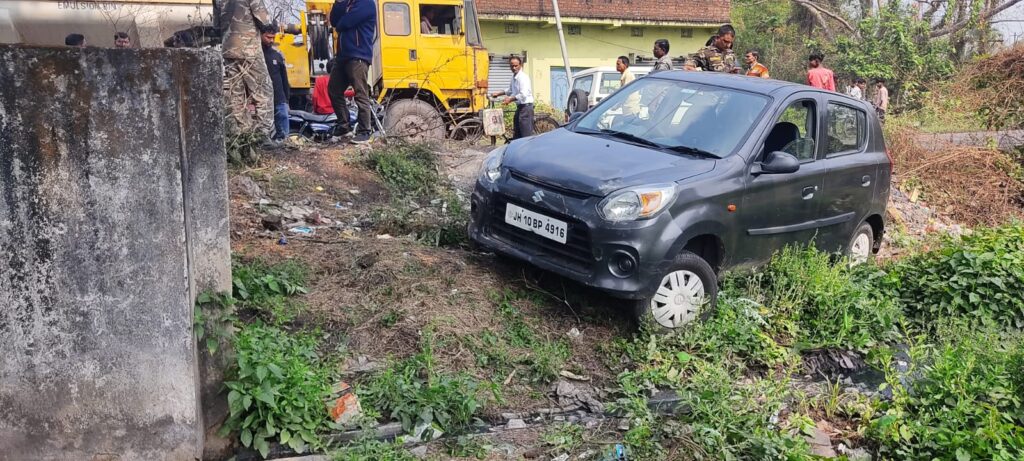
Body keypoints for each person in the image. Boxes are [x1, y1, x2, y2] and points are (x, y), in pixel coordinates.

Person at [220, 0, 275, 139]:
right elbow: (264, 20)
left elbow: (216, 24)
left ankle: (243, 133)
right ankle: (263, 136)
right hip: (249, 49)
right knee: (263, 90)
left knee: (236, 93)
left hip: (228, 49)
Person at [328, 0, 377, 144]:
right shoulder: (348, 3)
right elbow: (334, 21)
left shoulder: (366, 3)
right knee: (333, 89)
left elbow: (344, 23)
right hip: (342, 56)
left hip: (358, 55)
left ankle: (365, 131)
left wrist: (340, 21)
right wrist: (338, 3)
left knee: (360, 93)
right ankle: (344, 127)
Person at [490, 56, 534, 139]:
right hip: (520, 108)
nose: (514, 68)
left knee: (526, 136)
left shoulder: (523, 77)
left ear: (520, 65)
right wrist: (498, 94)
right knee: (517, 133)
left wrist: (510, 99)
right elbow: (510, 90)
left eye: (516, 66)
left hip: (526, 108)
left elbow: (523, 94)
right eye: (512, 66)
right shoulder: (514, 77)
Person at [261, 24, 291, 142]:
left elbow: (284, 79)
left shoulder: (277, 55)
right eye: (268, 37)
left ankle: (284, 143)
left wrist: (286, 99)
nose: (271, 40)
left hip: (279, 98)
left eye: (273, 38)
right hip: (262, 99)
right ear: (261, 35)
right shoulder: (257, 56)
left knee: (283, 123)